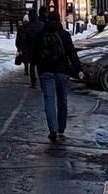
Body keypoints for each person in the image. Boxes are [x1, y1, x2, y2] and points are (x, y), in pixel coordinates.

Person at [38, 12, 83, 143]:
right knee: (62, 99)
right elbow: (72, 53)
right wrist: (78, 69)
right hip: (62, 72)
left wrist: (38, 71)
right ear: (59, 20)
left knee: (49, 100)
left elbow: (36, 54)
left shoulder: (42, 34)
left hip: (46, 72)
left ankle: (52, 129)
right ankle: (61, 127)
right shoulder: (64, 34)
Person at [15, 8, 44, 87]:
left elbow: (23, 38)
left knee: (32, 65)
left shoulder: (26, 26)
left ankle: (33, 82)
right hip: (39, 49)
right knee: (40, 66)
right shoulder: (41, 25)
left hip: (29, 49)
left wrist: (21, 48)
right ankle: (42, 82)